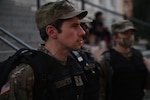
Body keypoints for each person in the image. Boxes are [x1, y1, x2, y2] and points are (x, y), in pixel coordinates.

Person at [0, 0, 88, 100]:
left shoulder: (74, 63)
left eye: (80, 25)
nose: (82, 32)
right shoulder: (25, 75)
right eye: (74, 26)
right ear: (52, 32)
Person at [98, 19, 150, 100]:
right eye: (125, 33)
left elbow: (147, 86)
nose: (130, 37)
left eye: (132, 33)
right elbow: (100, 92)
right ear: (115, 37)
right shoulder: (106, 60)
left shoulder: (139, 56)